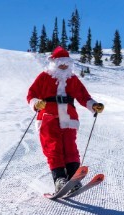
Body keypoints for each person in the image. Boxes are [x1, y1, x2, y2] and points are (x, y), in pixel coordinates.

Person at [26, 46, 104, 193]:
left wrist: (94, 105)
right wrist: (36, 103)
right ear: (54, 62)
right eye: (60, 63)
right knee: (53, 148)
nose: (63, 65)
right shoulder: (44, 77)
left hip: (69, 119)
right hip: (48, 117)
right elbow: (31, 94)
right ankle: (60, 179)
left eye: (66, 63)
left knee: (70, 147)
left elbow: (83, 96)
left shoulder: (72, 79)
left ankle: (74, 177)